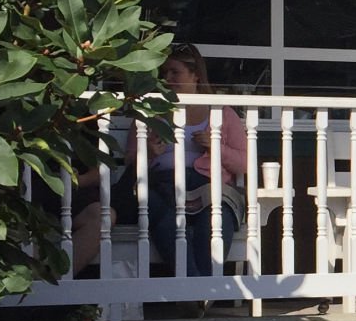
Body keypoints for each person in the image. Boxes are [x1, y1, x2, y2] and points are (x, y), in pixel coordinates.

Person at [70, 42, 245, 278]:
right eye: (164, 74)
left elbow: (244, 163)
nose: (168, 79)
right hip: (162, 189)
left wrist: (217, 148)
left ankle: (197, 290)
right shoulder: (149, 113)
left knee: (216, 216)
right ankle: (199, 289)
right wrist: (149, 153)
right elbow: (132, 162)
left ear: (195, 76)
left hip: (207, 190)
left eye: (176, 72)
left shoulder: (221, 113)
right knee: (151, 205)